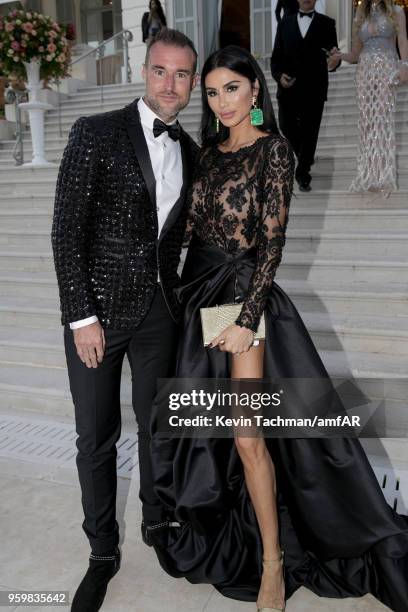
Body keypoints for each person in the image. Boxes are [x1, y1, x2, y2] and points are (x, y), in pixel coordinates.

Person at [147, 45, 408, 612]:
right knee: (211, 433)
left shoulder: (274, 151)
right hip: (200, 299)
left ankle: (271, 563)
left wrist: (246, 321)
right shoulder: (209, 155)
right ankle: (234, 525)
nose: (222, 102)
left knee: (246, 436)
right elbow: (185, 232)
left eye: (232, 89)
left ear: (256, 90)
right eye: (212, 92)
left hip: (244, 299)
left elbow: (272, 247)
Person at [51, 28, 199, 612]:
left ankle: (156, 525)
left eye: (182, 74)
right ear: (145, 71)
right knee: (96, 437)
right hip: (98, 317)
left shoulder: (189, 150)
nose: (170, 84)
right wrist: (80, 315)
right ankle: (101, 551)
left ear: (192, 82)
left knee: (158, 428)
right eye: (161, 71)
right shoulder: (96, 131)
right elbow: (67, 230)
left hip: (160, 313)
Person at [331, 0, 408, 196]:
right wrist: (340, 56)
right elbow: (356, 54)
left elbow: (403, 41)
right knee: (366, 123)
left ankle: (383, 176)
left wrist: (404, 66)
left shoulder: (397, 11)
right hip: (364, 71)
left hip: (387, 69)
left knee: (382, 120)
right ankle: (368, 174)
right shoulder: (360, 15)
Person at [270, 0, 341, 192]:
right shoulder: (284, 24)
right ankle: (305, 158)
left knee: (310, 131)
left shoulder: (327, 23)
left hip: (314, 88)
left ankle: (302, 174)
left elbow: (334, 56)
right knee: (286, 125)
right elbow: (276, 58)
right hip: (288, 88)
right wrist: (279, 76)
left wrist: (334, 62)